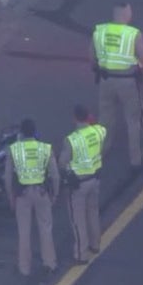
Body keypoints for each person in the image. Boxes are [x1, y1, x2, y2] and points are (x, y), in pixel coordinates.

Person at [89, 2, 143, 169]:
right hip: (128, 83)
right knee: (134, 120)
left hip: (106, 80)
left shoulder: (100, 31)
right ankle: (136, 160)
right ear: (127, 14)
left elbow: (92, 56)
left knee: (105, 120)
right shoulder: (133, 34)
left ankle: (101, 152)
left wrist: (98, 70)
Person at [4, 118, 60, 279]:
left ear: (21, 132)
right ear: (35, 132)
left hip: (22, 195)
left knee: (23, 232)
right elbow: (55, 176)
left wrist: (10, 197)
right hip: (42, 193)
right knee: (46, 229)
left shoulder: (13, 150)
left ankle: (24, 267)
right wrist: (54, 194)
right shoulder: (45, 148)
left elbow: (7, 177)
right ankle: (50, 263)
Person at [58, 104, 106, 263]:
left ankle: (81, 254)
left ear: (74, 118)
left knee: (78, 220)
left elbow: (63, 163)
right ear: (88, 116)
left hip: (78, 184)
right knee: (93, 213)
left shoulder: (71, 140)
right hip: (95, 179)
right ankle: (95, 245)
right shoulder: (99, 131)